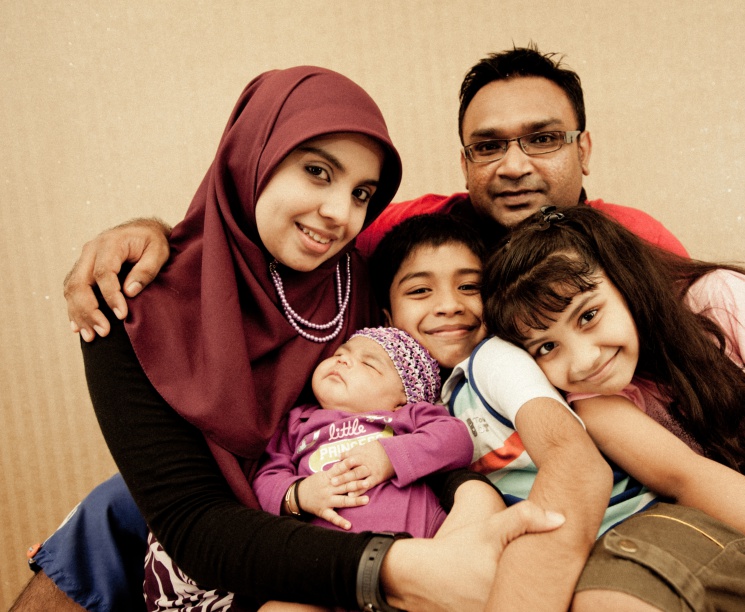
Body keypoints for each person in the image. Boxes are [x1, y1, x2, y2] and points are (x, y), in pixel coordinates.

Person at [30, 42, 683, 608]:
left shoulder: (634, 246)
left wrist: (467, 503)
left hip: (421, 482)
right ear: (464, 162)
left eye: (542, 138)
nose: (339, 213)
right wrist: (145, 232)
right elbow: (246, 231)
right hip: (259, 499)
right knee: (108, 511)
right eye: (489, 146)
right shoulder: (390, 243)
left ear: (583, 147)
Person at [484, 204, 745, 609]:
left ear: (625, 279)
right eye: (547, 347)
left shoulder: (720, 299)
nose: (583, 360)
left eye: (588, 316)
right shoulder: (596, 402)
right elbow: (689, 478)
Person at [367, 213, 612, 610]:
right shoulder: (415, 403)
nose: (449, 306)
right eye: (420, 291)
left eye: (469, 287)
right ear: (388, 319)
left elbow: (572, 460)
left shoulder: (493, 359)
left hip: (595, 532)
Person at [147, 326, 474, 611]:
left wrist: (389, 457)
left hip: (415, 565)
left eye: (369, 363)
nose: (344, 360)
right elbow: (267, 477)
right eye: (341, 353)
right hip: (324, 575)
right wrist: (300, 494)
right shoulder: (298, 422)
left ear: (403, 399)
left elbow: (456, 439)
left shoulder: (405, 417)